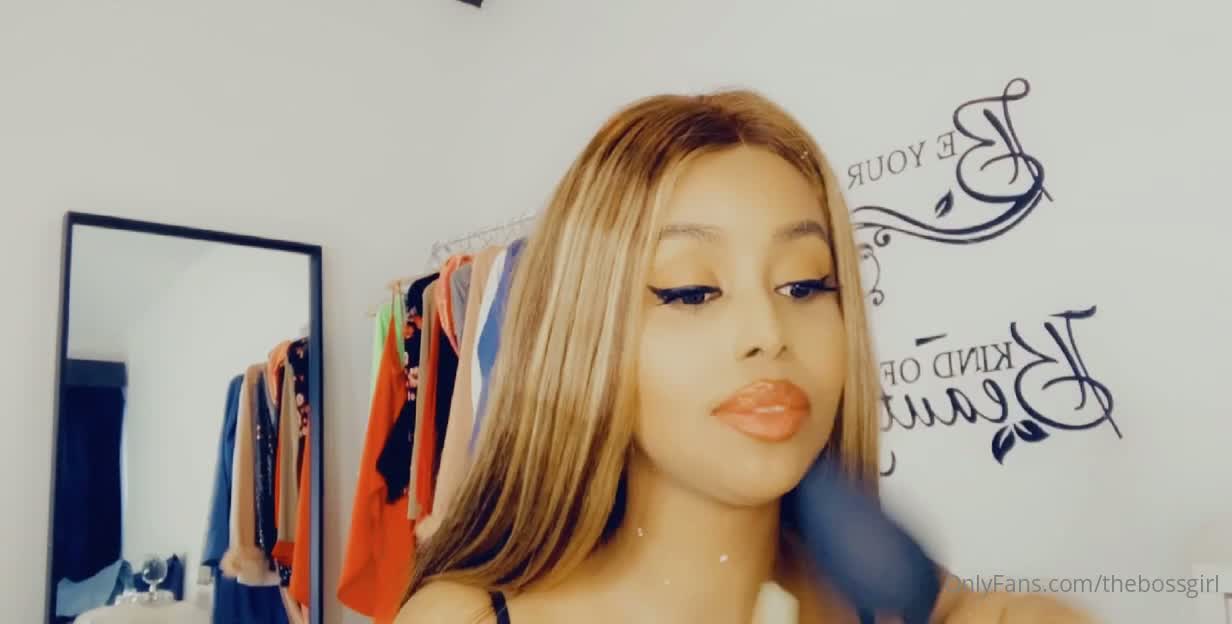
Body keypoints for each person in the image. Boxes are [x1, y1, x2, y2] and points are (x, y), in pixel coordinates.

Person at [395, 90, 1094, 623]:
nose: (769, 332)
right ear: (584, 335)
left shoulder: (899, 596)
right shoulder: (463, 619)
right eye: (691, 291)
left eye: (805, 284)